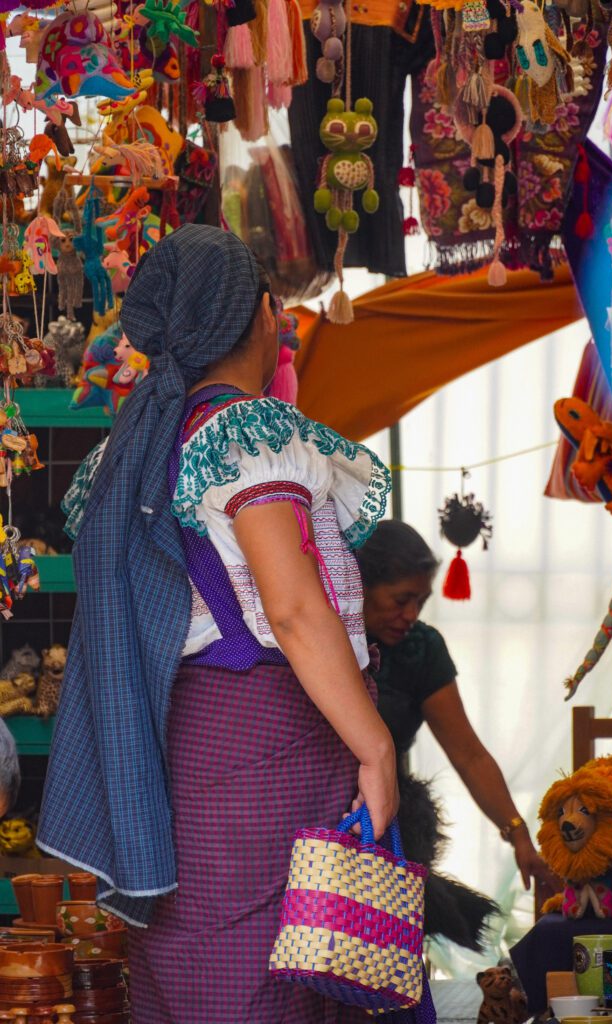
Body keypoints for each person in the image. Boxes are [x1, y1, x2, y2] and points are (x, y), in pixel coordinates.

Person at [37, 225, 398, 1023]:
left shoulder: (141, 446)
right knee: (263, 975)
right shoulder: (245, 437)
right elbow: (293, 610)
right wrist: (376, 750)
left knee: (190, 965)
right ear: (260, 314)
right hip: (262, 744)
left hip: (181, 743)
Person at [356, 519, 556, 936]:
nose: (411, 615)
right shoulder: (326, 639)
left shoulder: (422, 649)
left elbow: (469, 755)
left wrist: (518, 833)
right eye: (401, 599)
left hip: (389, 822)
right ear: (360, 585)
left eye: (421, 601)